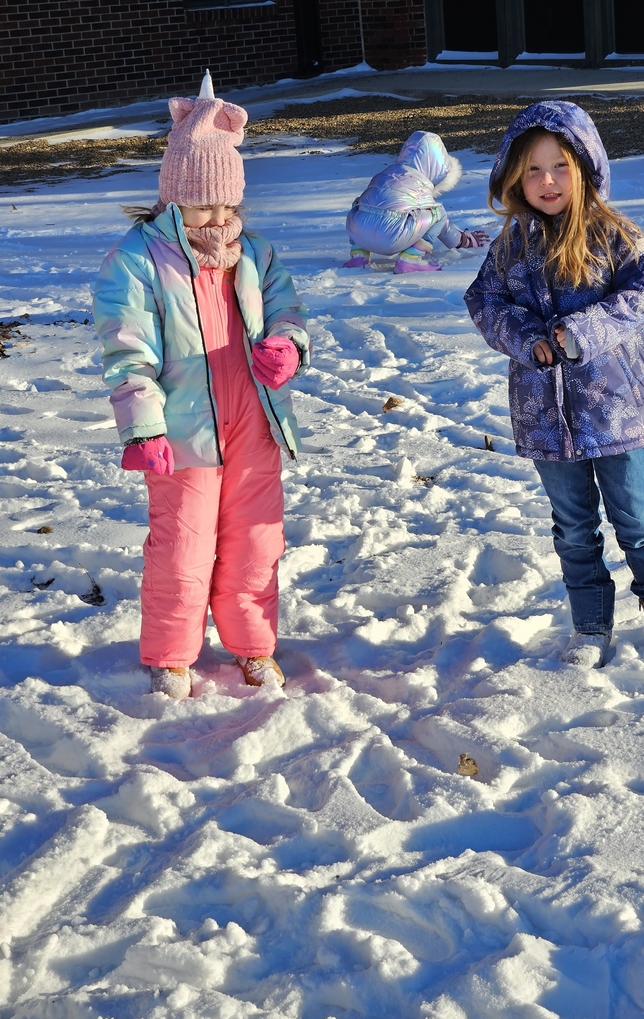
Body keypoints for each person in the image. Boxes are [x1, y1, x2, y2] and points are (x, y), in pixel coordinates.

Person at [465, 100, 644, 685]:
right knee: (573, 528)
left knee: (637, 521)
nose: (547, 181)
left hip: (615, 409)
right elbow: (485, 302)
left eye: (560, 167)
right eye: (533, 170)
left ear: (586, 167)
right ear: (514, 178)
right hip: (546, 417)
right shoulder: (511, 246)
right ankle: (591, 626)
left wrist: (582, 334)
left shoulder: (616, 235)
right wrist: (527, 339)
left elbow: (637, 297)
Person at [93, 71, 310, 697]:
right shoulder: (138, 260)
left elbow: (287, 311)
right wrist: (143, 424)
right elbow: (127, 345)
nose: (220, 218)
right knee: (183, 545)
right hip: (182, 428)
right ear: (173, 199)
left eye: (230, 205)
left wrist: (286, 349)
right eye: (205, 205)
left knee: (255, 540)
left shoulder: (257, 255)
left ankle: (252, 645)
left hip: (255, 423)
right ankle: (171, 655)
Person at [343, 130, 489, 273]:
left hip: (359, 234)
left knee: (360, 205)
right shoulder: (420, 182)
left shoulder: (389, 173)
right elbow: (441, 224)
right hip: (391, 238)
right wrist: (465, 240)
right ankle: (411, 259)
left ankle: (358, 256)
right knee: (437, 212)